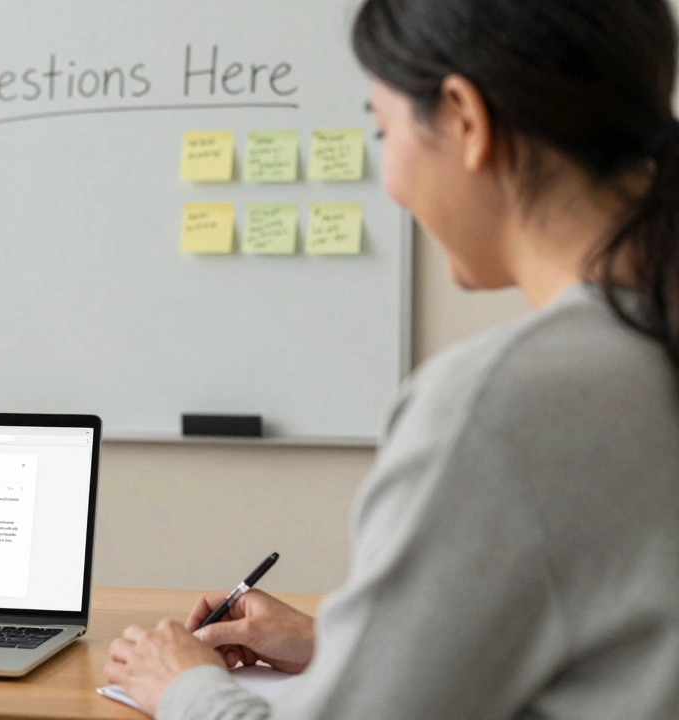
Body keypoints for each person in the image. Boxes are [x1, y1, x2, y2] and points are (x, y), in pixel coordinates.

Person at [105, 0, 679, 717]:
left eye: (383, 130)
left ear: (464, 119)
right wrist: (342, 645)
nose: (390, 179)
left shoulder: (497, 406)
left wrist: (182, 683)